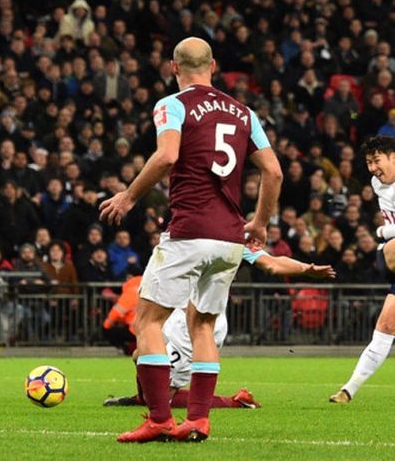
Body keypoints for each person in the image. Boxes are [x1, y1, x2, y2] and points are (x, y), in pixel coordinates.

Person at [99, 37, 282, 443]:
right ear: (214, 65)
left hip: (189, 231)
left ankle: (160, 419)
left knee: (147, 322)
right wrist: (261, 222)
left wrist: (129, 196)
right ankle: (198, 419)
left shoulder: (173, 104)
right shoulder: (245, 113)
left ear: (173, 67)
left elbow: (167, 156)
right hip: (230, 237)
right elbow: (273, 172)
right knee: (203, 325)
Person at [103, 244, 335, 408]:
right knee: (138, 355)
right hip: (176, 315)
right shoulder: (189, 226)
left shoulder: (234, 236)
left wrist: (306, 268)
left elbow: (272, 263)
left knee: (166, 397)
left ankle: (236, 401)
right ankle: (142, 398)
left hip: (201, 321)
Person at [331, 136, 395, 404]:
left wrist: (382, 232)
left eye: (377, 160)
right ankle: (349, 389)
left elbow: (388, 231)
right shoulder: (378, 184)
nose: (372, 168)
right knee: (385, 325)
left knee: (388, 251)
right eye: (369, 162)